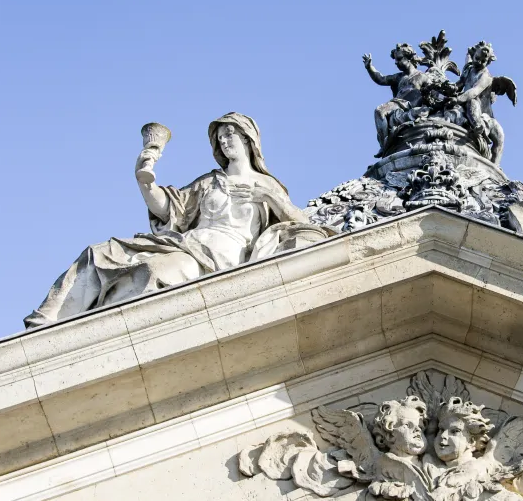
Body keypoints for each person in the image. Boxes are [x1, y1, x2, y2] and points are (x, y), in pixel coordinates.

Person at [24, 112, 308, 328]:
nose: (224, 140)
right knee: (99, 254)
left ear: (248, 138)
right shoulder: (209, 182)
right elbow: (169, 209)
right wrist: (145, 182)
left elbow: (303, 224)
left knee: (154, 272)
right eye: (220, 136)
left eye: (230, 133)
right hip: (185, 243)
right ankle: (44, 325)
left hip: (218, 256)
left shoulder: (267, 185)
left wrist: (269, 198)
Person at [362, 44, 429, 152]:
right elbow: (381, 79)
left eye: (399, 58)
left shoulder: (422, 77)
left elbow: (433, 92)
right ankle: (385, 143)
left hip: (409, 104)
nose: (396, 62)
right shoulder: (399, 77)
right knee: (379, 112)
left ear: (409, 58)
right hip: (398, 103)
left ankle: (385, 145)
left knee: (379, 111)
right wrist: (369, 67)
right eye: (395, 60)